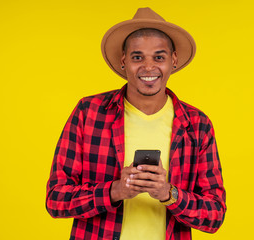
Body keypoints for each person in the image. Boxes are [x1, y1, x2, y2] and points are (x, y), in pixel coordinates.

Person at [46, 7, 226, 240]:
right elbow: (56, 199)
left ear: (173, 60)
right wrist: (115, 191)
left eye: (159, 57)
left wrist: (168, 193)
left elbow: (214, 215)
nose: (148, 67)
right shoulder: (88, 113)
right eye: (137, 57)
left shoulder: (197, 125)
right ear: (124, 61)